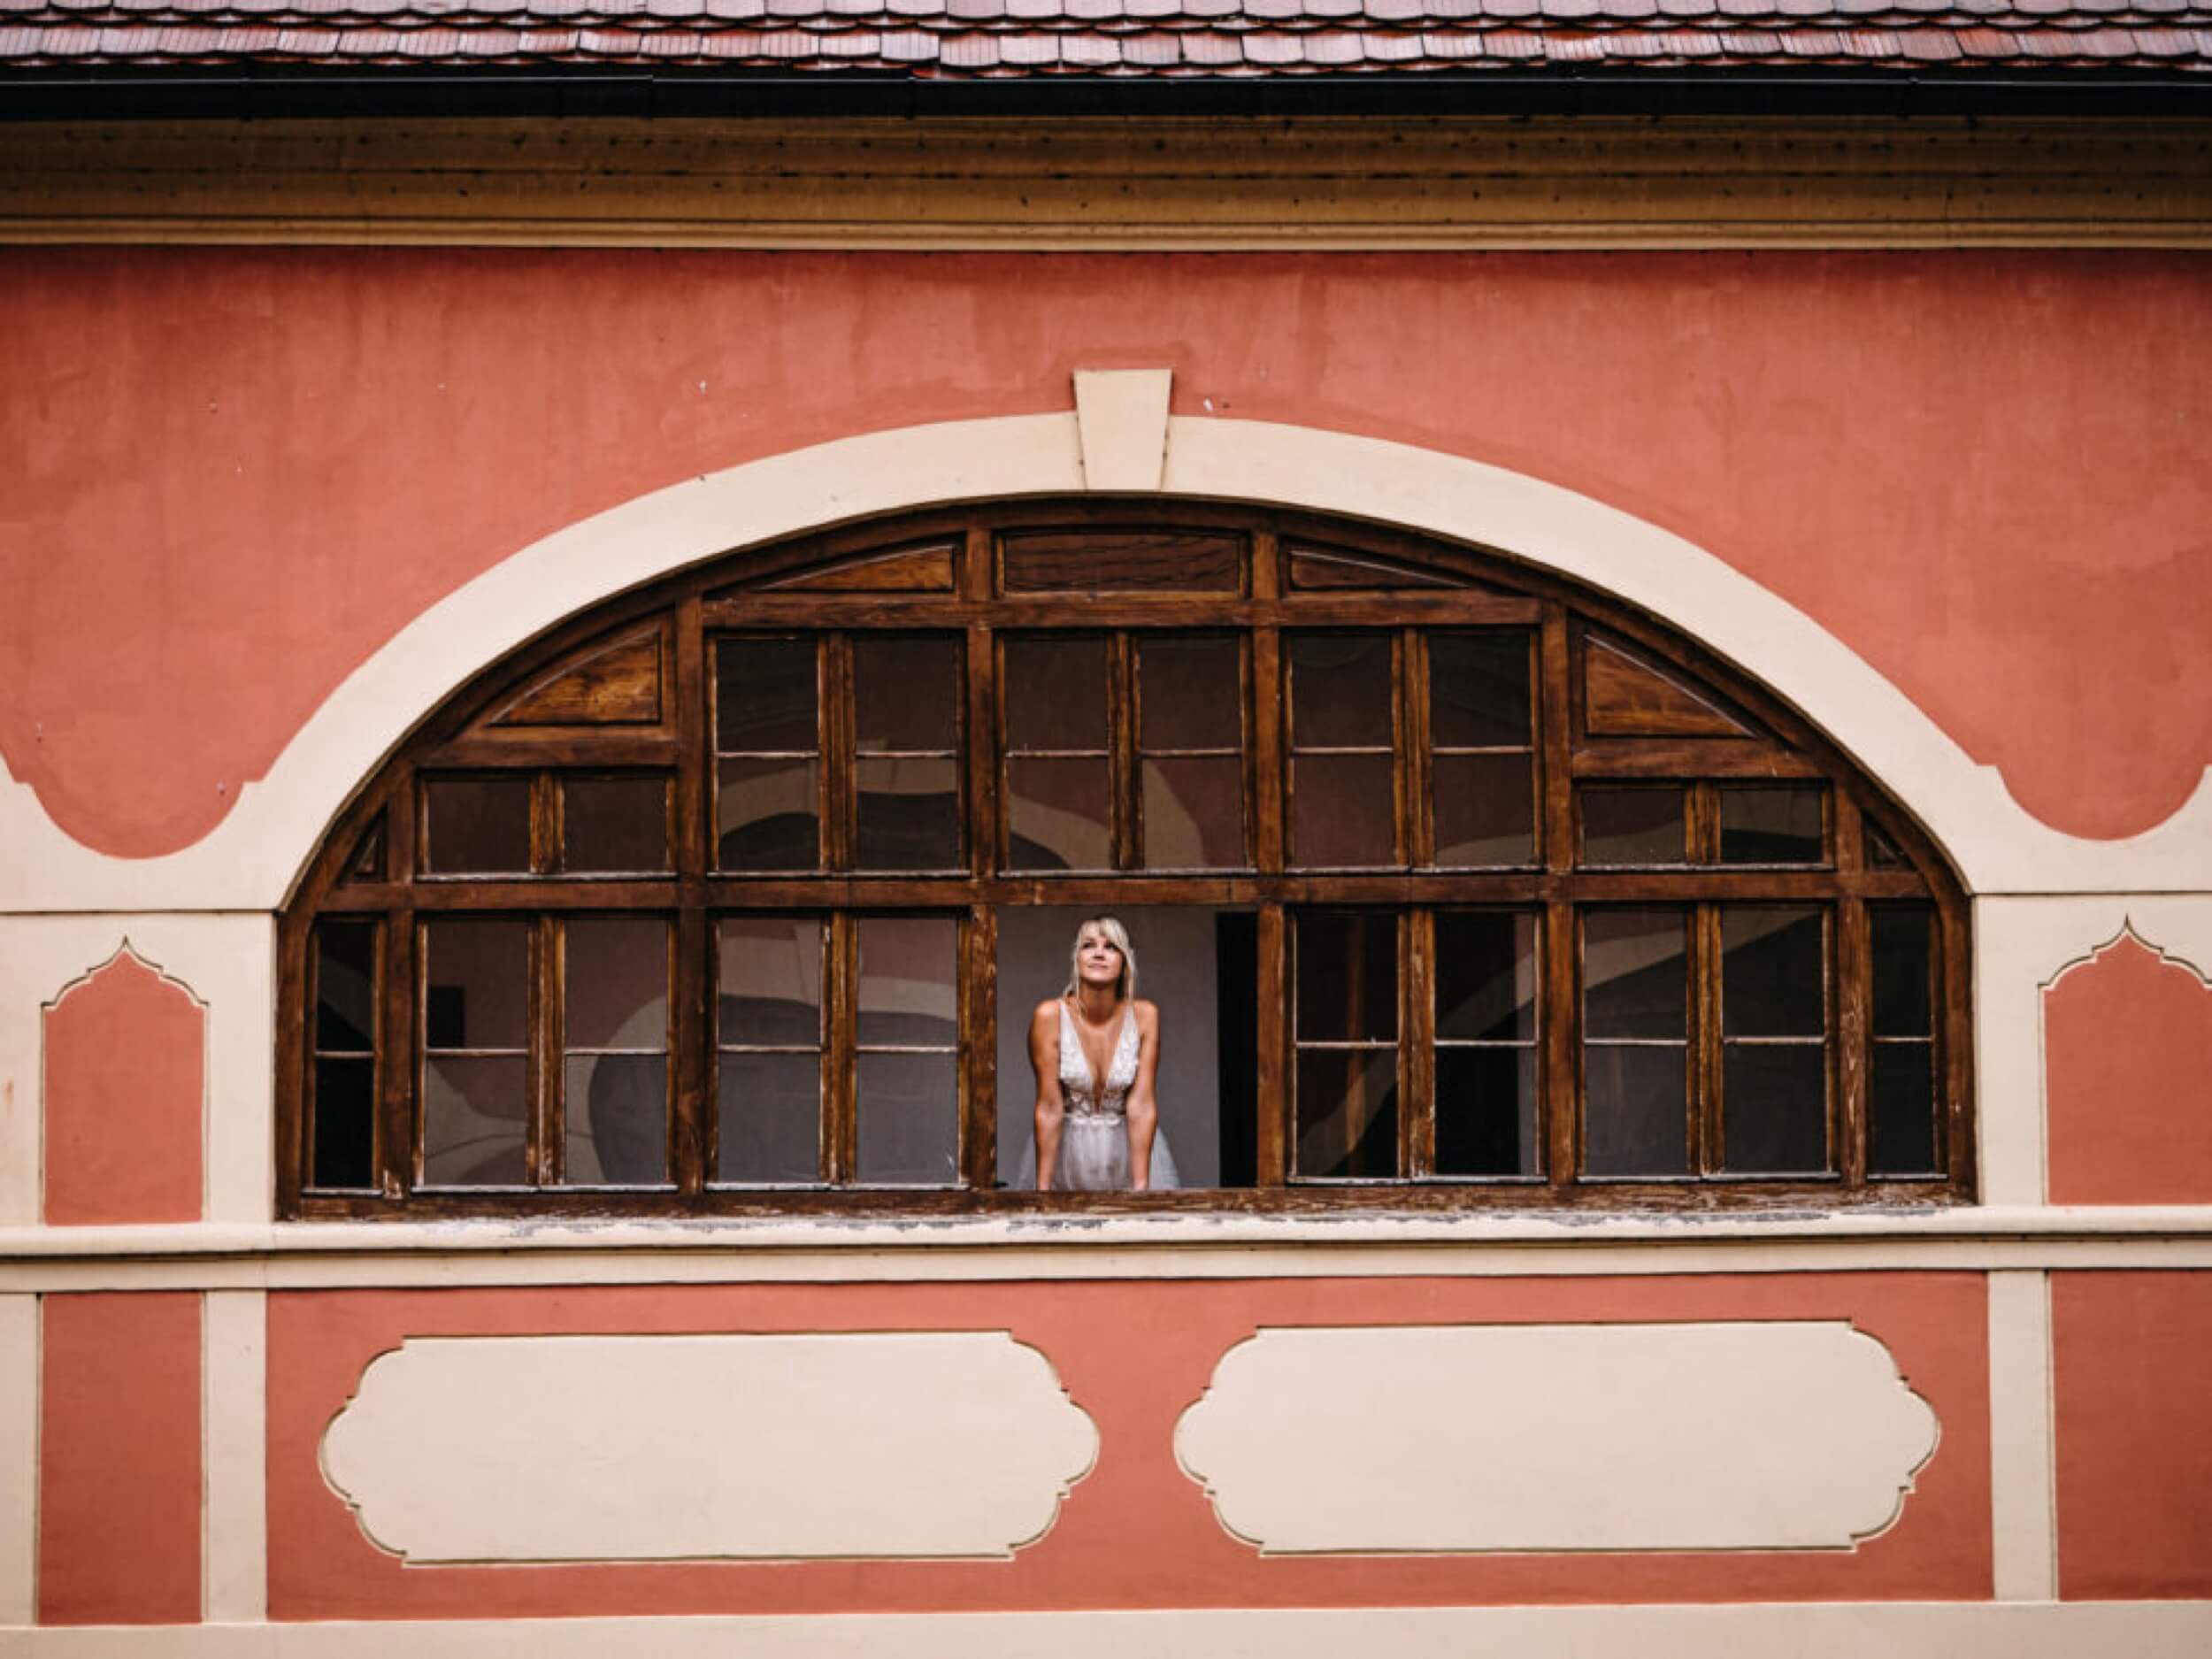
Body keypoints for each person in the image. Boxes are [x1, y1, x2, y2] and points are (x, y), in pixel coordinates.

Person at [1027, 915, 1179, 1192]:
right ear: (1076, 958)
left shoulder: (1145, 1016)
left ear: (1125, 962)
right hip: (1066, 1156)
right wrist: (1043, 1191)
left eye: (1111, 946)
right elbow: (1049, 1106)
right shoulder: (1049, 1016)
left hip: (1128, 1154)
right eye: (1088, 945)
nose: (1099, 953)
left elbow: (1142, 1106)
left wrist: (1141, 1188)